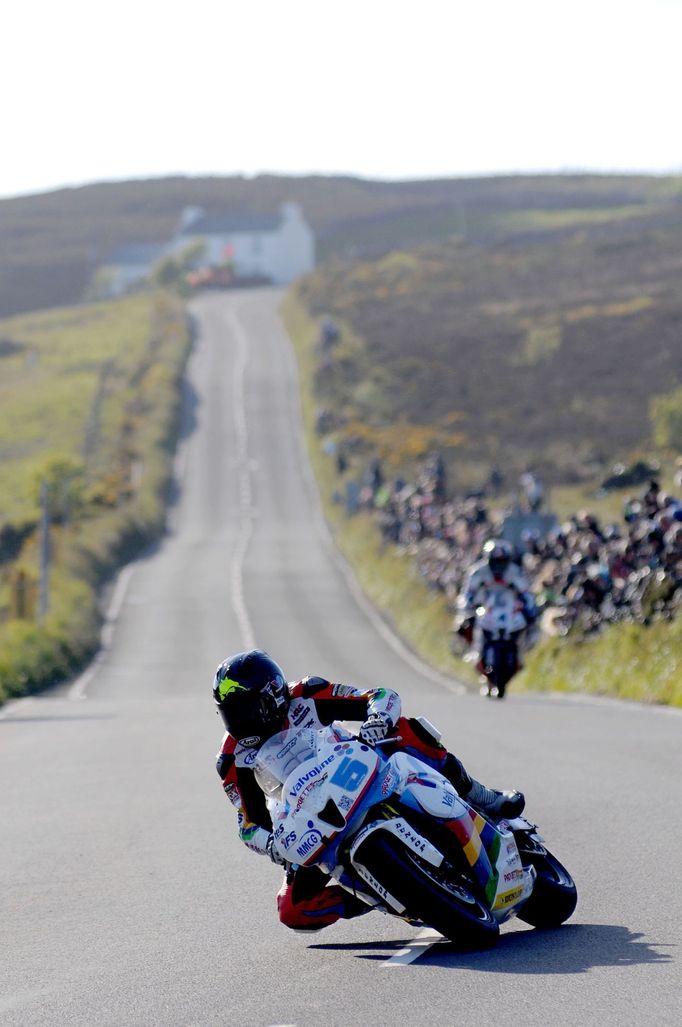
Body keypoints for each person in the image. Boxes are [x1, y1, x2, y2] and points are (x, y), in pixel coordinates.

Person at [214, 649, 525, 932]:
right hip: (309, 818)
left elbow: (378, 696)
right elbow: (247, 823)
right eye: (229, 713)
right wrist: (270, 845)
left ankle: (478, 794)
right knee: (293, 911)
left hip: (356, 768)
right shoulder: (231, 760)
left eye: (244, 709)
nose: (238, 722)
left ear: (273, 695)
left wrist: (377, 719)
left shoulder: (306, 694)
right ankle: (376, 894)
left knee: (405, 729)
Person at [456, 539, 537, 663]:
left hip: (509, 609)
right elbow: (467, 592)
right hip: (485, 607)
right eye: (495, 561)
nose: (498, 566)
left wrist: (530, 608)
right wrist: (467, 604)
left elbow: (526, 593)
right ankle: (473, 650)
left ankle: (522, 652)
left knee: (530, 623)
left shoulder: (516, 572)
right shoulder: (478, 571)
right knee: (464, 623)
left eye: (502, 561)